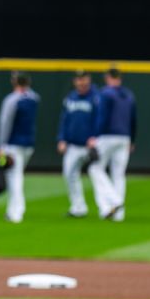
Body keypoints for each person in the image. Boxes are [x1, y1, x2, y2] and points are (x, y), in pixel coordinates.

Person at [89, 66, 137, 221]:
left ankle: (112, 203)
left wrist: (95, 136)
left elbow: (102, 117)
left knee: (95, 168)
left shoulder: (106, 93)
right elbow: (133, 120)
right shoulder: (129, 95)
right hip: (125, 137)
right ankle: (118, 215)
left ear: (108, 77)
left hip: (107, 136)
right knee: (119, 174)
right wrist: (132, 139)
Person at [0, 72, 40, 224]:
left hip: (13, 144)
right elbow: (32, 94)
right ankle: (11, 210)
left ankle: (17, 213)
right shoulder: (34, 98)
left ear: (15, 82)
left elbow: (5, 123)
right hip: (28, 145)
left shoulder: (11, 100)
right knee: (15, 176)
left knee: (14, 178)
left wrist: (0, 146)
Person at [57, 70, 100, 218]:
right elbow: (64, 120)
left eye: (84, 79)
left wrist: (96, 137)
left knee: (98, 176)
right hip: (73, 145)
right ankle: (78, 207)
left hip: (91, 145)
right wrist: (61, 138)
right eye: (78, 79)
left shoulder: (96, 97)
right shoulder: (70, 98)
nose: (81, 82)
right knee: (69, 174)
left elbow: (101, 120)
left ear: (89, 80)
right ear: (75, 81)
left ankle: (106, 207)